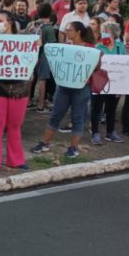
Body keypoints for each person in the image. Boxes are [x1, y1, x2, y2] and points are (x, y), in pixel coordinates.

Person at [31, 21, 96, 159]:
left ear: (78, 32)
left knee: (77, 117)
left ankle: (73, 148)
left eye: (70, 30)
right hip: (64, 86)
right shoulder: (65, 47)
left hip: (81, 87)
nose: (67, 32)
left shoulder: (90, 48)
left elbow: (97, 66)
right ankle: (44, 143)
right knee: (56, 115)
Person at [0, 11, 33, 174]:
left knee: (15, 125)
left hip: (19, 88)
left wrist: (36, 45)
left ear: (9, 23)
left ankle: (16, 160)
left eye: (0, 20)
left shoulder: (24, 41)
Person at [91, 21, 125, 144]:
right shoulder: (98, 47)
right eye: (103, 32)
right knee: (96, 108)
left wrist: (121, 87)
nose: (104, 34)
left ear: (114, 34)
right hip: (100, 82)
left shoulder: (120, 47)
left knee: (111, 108)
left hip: (115, 83)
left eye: (107, 32)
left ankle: (111, 132)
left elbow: (124, 65)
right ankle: (95, 132)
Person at [27, 2, 58, 112]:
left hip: (30, 54)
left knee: (30, 78)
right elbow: (52, 45)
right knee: (42, 80)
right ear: (50, 13)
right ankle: (40, 105)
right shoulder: (49, 28)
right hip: (44, 55)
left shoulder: (31, 25)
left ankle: (28, 101)